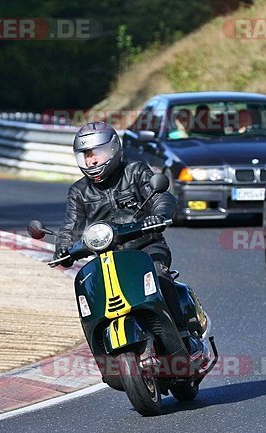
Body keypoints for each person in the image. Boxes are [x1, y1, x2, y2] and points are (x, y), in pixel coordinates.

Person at [54, 122, 199, 352]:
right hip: (105, 259)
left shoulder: (135, 172)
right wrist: (63, 248)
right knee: (89, 290)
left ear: (112, 149)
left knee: (159, 274)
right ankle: (101, 350)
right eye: (85, 156)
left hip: (145, 247)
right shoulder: (79, 191)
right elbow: (71, 226)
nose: (91, 162)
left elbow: (161, 197)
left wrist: (158, 215)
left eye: (96, 154)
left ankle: (182, 337)